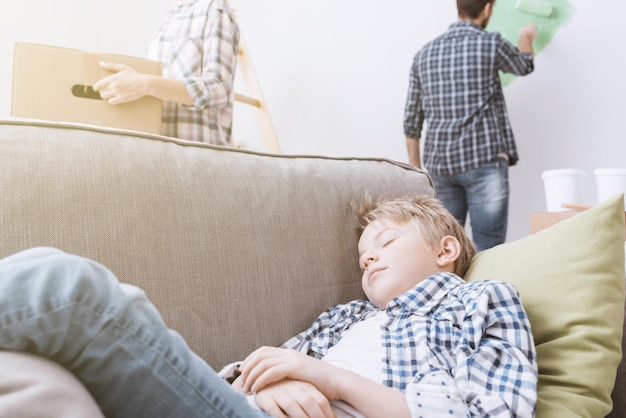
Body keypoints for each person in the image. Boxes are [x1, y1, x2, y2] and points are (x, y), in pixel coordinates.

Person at [0, 195, 537, 417]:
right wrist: (270, 380)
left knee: (69, 289)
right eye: (363, 255)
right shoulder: (346, 317)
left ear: (445, 249)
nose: (369, 261)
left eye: (386, 245)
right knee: (31, 376)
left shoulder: (481, 300)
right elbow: (248, 379)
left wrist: (324, 378)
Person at [403, 0, 538, 251]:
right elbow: (524, 65)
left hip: (441, 166)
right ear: (487, 8)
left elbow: (412, 119)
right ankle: (485, 291)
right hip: (484, 162)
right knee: (489, 249)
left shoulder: (424, 54)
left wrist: (416, 169)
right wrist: (525, 37)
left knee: (445, 249)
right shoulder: (490, 43)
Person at [93, 0, 239, 146]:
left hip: (196, 155)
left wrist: (145, 84)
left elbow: (218, 88)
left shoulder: (215, 10)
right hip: (159, 149)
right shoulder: (169, 19)